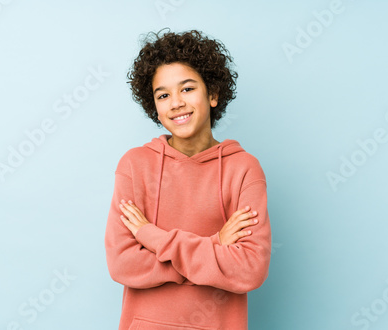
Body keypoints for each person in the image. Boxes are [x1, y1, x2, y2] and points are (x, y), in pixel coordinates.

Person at [105, 28, 272, 329]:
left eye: (187, 89)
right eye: (164, 95)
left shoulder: (244, 170)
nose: (176, 103)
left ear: (213, 94)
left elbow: (249, 270)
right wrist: (215, 243)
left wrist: (152, 237)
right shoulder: (135, 165)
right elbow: (122, 264)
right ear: (154, 107)